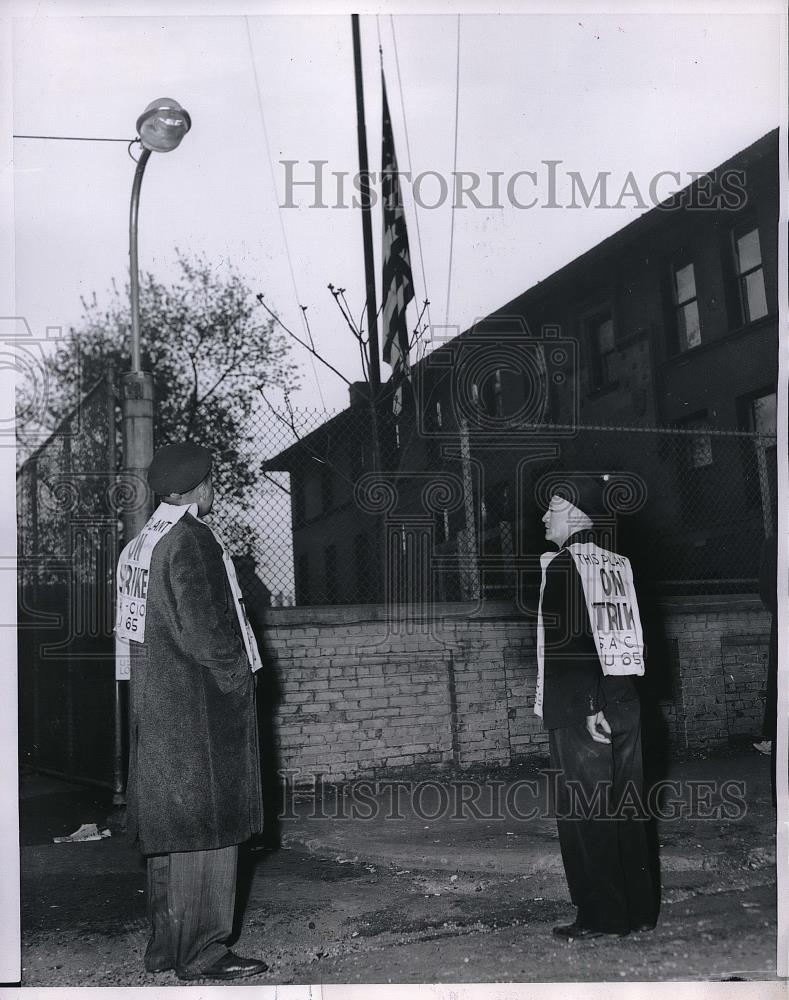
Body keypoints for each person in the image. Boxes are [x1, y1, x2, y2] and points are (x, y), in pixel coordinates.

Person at [116, 442, 268, 981]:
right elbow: (211, 635)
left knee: (170, 832)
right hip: (201, 712)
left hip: (158, 709)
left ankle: (166, 946)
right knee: (210, 828)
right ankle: (204, 951)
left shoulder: (141, 543)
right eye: (213, 483)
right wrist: (240, 686)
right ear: (202, 487)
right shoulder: (192, 541)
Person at [535, 475, 658, 941]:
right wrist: (613, 696)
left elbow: (572, 643)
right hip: (624, 696)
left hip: (583, 707)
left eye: (553, 506)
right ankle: (638, 909)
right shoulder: (616, 564)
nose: (545, 516)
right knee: (628, 805)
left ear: (577, 512)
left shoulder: (565, 565)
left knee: (587, 815)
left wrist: (589, 704)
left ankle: (602, 916)